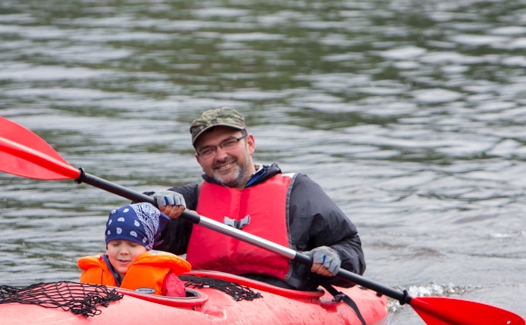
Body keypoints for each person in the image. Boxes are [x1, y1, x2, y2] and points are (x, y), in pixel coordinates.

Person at [150, 107, 365, 291]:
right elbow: (132, 234)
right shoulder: (190, 200)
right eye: (208, 150)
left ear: (250, 144)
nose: (221, 156)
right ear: (199, 160)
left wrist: (335, 254)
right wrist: (150, 209)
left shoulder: (298, 192)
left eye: (229, 143)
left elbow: (351, 247)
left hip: (279, 298)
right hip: (207, 296)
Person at [78, 202, 192, 297]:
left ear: (147, 249)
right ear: (107, 248)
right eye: (116, 244)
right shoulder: (92, 274)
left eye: (132, 245)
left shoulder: (167, 280)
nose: (123, 251)